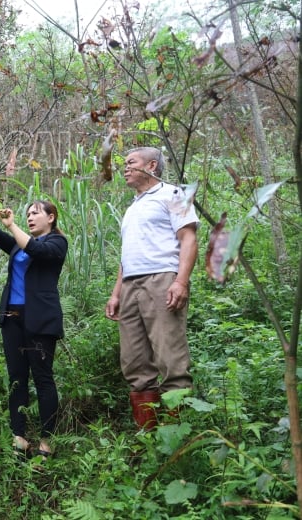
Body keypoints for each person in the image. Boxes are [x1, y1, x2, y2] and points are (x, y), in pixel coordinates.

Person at [105, 146, 199, 430]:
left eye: (131, 162)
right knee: (135, 363)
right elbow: (127, 255)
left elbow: (189, 239)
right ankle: (148, 439)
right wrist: (116, 293)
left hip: (161, 280)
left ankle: (176, 443)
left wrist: (181, 281)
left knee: (171, 359)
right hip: (131, 285)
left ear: (152, 165)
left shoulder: (172, 194)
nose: (125, 168)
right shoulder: (133, 207)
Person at [0, 190, 68, 460]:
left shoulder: (57, 242)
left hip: (41, 319)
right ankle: (19, 437)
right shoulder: (18, 244)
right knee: (17, 378)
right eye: (27, 214)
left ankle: (46, 440)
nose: (30, 217)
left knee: (43, 378)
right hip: (13, 318)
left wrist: (12, 224)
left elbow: (36, 249)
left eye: (35, 213)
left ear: (50, 218)